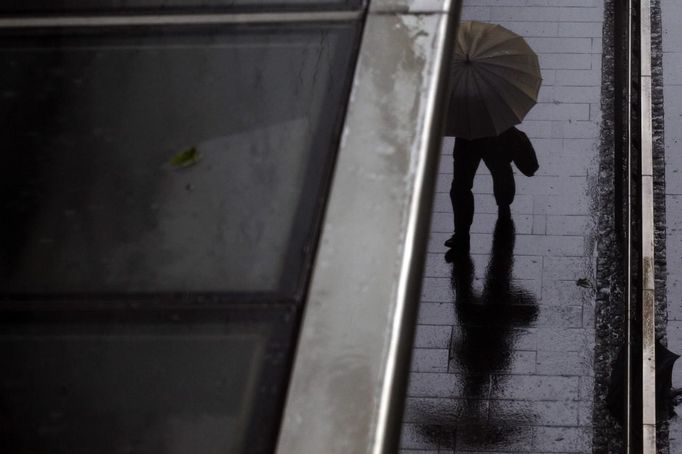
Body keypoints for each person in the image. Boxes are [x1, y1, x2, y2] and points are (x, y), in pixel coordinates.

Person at [445, 126, 537, 251]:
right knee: (497, 172)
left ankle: (462, 234)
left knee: (463, 185)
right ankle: (463, 232)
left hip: (471, 135)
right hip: (487, 134)